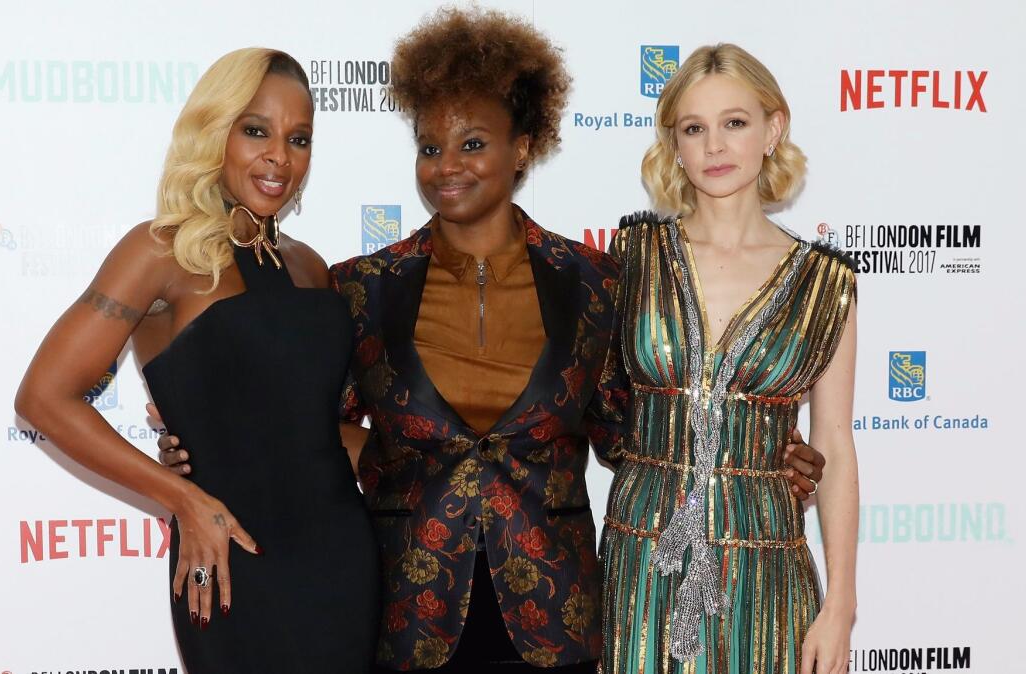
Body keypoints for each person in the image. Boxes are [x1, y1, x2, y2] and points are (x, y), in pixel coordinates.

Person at [160, 11, 827, 673]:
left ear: (524, 147)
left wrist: (765, 450)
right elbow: (309, 429)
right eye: (430, 148)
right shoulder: (362, 288)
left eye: (473, 144)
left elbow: (633, 436)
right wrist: (205, 444)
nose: (447, 167)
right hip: (405, 615)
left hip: (557, 622)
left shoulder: (595, 282)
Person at [14, 48, 379, 673]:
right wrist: (182, 498)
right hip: (232, 561)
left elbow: (308, 427)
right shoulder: (160, 252)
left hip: (344, 559)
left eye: (298, 139)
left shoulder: (310, 266)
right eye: (256, 130)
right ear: (215, 130)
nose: (279, 157)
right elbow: (43, 396)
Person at [600, 44, 859, 674]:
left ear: (773, 130)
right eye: (695, 128)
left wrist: (841, 607)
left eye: (734, 123)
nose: (714, 146)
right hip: (643, 556)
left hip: (766, 565)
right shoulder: (632, 254)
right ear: (676, 143)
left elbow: (836, 445)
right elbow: (591, 402)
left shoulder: (826, 285)